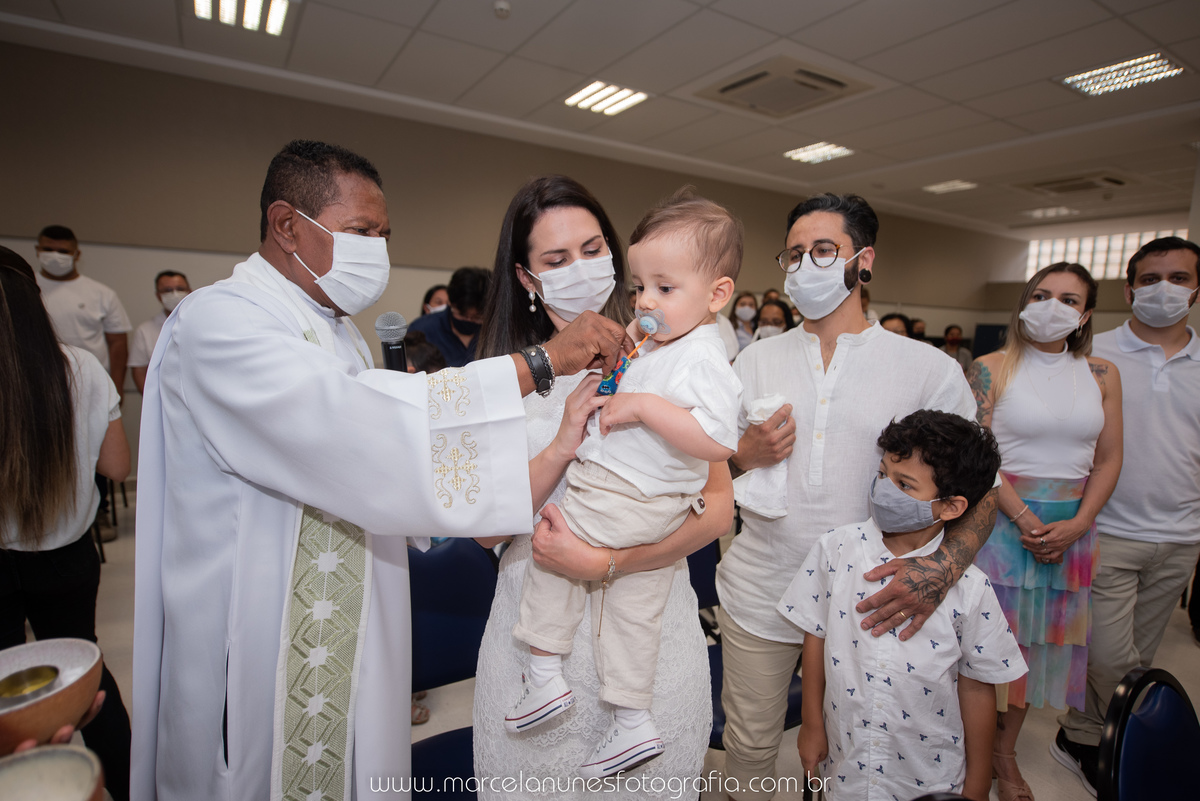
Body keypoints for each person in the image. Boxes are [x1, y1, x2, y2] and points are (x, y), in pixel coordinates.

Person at [130, 141, 630, 801]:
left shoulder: (336, 332)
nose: (379, 249)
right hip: (256, 638)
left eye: (384, 234)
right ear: (287, 225)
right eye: (362, 232)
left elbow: (381, 457)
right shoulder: (219, 322)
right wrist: (541, 363)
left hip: (354, 624)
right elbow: (356, 425)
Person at [717, 193, 999, 800]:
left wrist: (940, 570)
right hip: (760, 589)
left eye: (823, 250)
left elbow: (981, 494)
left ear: (862, 261)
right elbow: (706, 467)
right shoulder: (753, 360)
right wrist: (745, 452)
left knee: (861, 755)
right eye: (793, 254)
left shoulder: (927, 370)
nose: (803, 266)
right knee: (747, 748)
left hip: (874, 600)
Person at [473, 174, 732, 800]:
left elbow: (718, 508)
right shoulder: (494, 379)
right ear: (529, 279)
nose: (581, 268)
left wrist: (608, 561)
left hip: (651, 625)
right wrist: (564, 441)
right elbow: (485, 531)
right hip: (533, 641)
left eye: (593, 249)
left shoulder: (670, 351)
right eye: (557, 259)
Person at [782, 410, 1024, 801]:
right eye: (882, 474)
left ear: (951, 507)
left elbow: (978, 687)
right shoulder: (836, 550)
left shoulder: (971, 589)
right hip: (847, 763)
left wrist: (978, 782)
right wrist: (812, 724)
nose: (884, 490)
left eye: (905, 484)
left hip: (926, 774)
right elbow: (816, 636)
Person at [967, 262, 1122, 801]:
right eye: (1041, 294)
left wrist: (1079, 522)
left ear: (1086, 315)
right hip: (1001, 523)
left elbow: (1108, 458)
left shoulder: (1102, 374)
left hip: (1072, 528)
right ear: (1023, 302)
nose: (1052, 306)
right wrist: (1026, 519)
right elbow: (978, 456)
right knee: (988, 646)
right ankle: (973, 753)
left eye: (1068, 299)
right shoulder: (989, 368)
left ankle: (1003, 753)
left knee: (1035, 650)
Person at [1054, 237, 1200, 793]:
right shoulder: (1093, 357)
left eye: (1180, 278)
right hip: (1107, 528)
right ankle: (1134, 744)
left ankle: (1086, 737)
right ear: (1129, 287)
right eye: (1151, 278)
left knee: (1140, 656)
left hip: (1181, 537)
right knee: (1114, 660)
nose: (1165, 289)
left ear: (1197, 289)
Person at [0, 247, 132, 799]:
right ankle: (123, 786)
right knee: (82, 675)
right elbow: (118, 466)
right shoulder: (81, 367)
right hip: (69, 556)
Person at [408, 266, 490, 366]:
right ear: (450, 302)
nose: (469, 320)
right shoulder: (423, 330)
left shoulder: (497, 332)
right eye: (463, 315)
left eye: (477, 318)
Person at [128, 270, 191, 394]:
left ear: (190, 291)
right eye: (167, 290)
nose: (175, 294)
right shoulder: (145, 330)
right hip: (162, 398)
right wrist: (152, 401)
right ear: (158, 296)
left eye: (180, 288)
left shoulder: (204, 324)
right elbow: (139, 371)